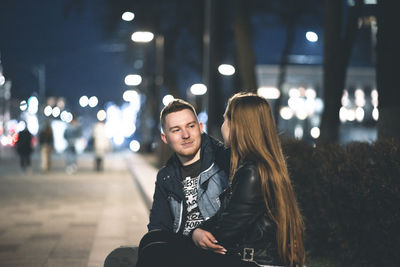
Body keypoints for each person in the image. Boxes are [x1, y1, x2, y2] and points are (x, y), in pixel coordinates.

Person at [104, 99, 230, 267]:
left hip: (217, 249)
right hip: (182, 249)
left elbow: (236, 215)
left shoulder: (223, 160)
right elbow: (158, 226)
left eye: (191, 126)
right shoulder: (166, 176)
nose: (186, 135)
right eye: (176, 130)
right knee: (119, 259)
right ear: (165, 137)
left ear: (200, 127)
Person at [190, 93, 305, 267]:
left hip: (255, 262)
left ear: (237, 126)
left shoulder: (253, 172)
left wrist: (195, 236)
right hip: (255, 260)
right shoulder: (261, 166)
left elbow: (226, 230)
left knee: (171, 250)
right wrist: (195, 232)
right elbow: (227, 215)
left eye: (225, 120)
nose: (222, 126)